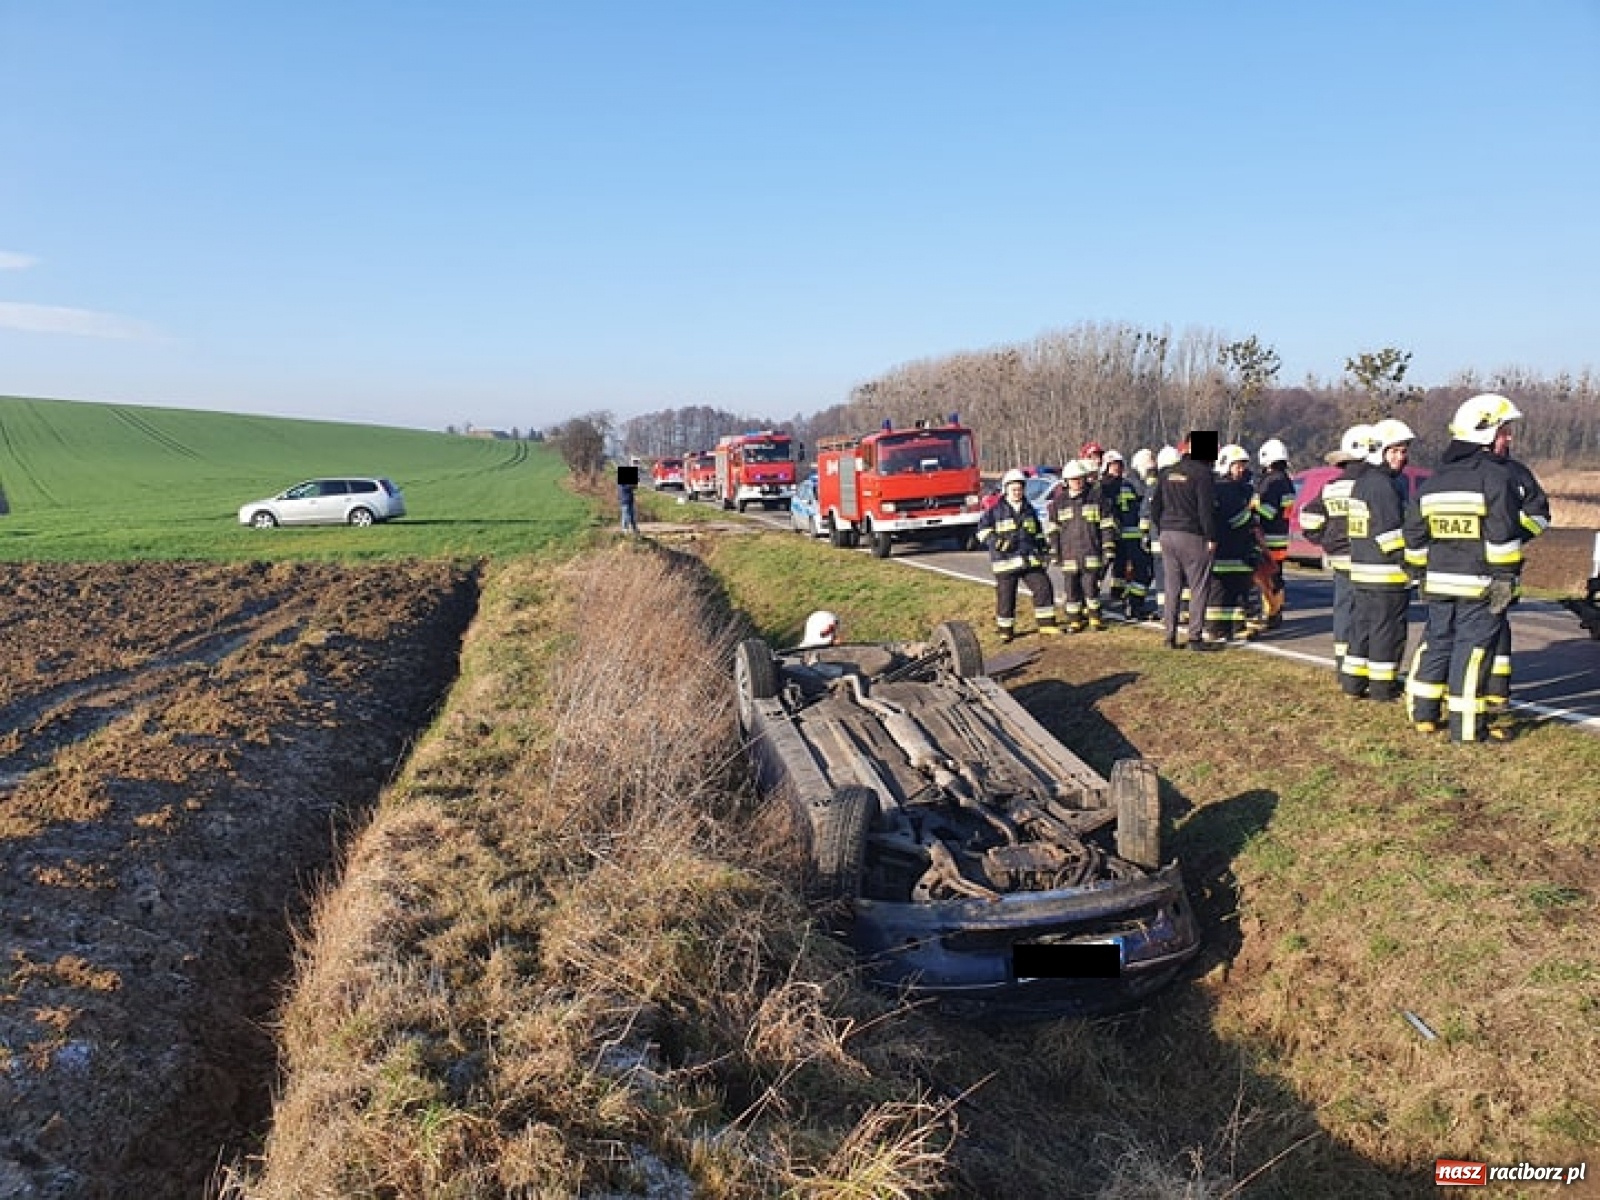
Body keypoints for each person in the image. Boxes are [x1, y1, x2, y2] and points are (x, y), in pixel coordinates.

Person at [1404, 394, 1529, 744]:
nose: (1509, 438)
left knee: (1438, 643)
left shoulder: (1435, 481)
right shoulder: (1495, 478)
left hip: (1439, 582)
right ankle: (1468, 730)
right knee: (1472, 653)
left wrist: (1420, 573)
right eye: (1504, 431)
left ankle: (1424, 714)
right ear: (1485, 433)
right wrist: (1505, 579)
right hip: (1479, 583)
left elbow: (1413, 535)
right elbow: (1502, 537)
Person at [1483, 417, 1550, 724]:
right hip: (1464, 567)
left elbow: (1539, 515)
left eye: (1509, 434)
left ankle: (1497, 692)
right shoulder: (1463, 472)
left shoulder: (1517, 473)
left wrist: (1512, 534)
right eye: (1503, 434)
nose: (1509, 439)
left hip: (1501, 568)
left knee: (1497, 626)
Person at [1343, 419, 1416, 701]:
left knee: (1362, 629)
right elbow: (1390, 534)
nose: (1401, 457)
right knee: (1387, 631)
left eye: (1404, 451)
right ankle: (1382, 688)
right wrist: (1412, 566)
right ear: (1379, 451)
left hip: (1362, 570)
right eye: (1394, 451)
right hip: (1386, 573)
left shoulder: (1363, 482)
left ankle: (1353, 683)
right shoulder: (1383, 485)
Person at [1298, 424, 1377, 670]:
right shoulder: (1376, 485)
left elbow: (1308, 519)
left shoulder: (1331, 487)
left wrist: (1326, 540)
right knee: (1370, 612)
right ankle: (1363, 660)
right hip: (1369, 558)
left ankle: (1343, 660)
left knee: (1344, 607)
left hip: (1340, 557)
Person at [1149, 434, 1219, 650]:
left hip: (1168, 534)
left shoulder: (1167, 472)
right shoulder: (1203, 474)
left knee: (1172, 586)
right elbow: (1205, 510)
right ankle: (1194, 637)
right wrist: (1211, 537)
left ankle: (1169, 636)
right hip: (1192, 535)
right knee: (1199, 586)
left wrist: (1162, 528)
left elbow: (1155, 507)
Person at [975, 468, 1060, 642]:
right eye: (1013, 489)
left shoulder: (1029, 510)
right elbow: (982, 532)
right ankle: (1005, 631)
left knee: (1043, 587)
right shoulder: (995, 511)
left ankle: (1046, 625)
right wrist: (999, 543)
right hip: (1005, 562)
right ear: (1006, 489)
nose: (1017, 492)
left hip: (1029, 560)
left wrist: (1044, 551)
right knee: (1006, 597)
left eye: (1020, 489)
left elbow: (1037, 533)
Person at [1048, 460, 1116, 631]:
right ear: (1066, 481)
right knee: (1071, 589)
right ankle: (1074, 620)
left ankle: (1095, 618)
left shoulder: (1097, 499)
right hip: (1069, 554)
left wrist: (1108, 547)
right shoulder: (1059, 503)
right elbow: (1053, 530)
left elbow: (1107, 525)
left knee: (1091, 587)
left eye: (1080, 478)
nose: (1077, 482)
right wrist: (1054, 551)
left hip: (1091, 551)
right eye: (1073, 479)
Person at [1204, 444, 1259, 643]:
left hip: (1240, 549)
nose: (1241, 469)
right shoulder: (1223, 488)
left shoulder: (1241, 488)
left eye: (1243, 465)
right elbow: (1232, 520)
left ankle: (1236, 627)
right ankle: (1215, 629)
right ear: (1226, 465)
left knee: (1239, 591)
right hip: (1225, 548)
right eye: (1237, 465)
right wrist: (1251, 514)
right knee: (1219, 592)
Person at [1252, 438, 1295, 630]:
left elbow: (1269, 512)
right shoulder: (1287, 481)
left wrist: (1253, 505)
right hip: (1281, 536)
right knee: (1276, 575)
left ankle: (1271, 612)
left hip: (1267, 537)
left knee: (1266, 577)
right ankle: (1276, 612)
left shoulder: (1272, 482)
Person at [617, 466, 640, 535]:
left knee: (632, 515)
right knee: (625, 514)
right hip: (624, 500)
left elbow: (634, 487)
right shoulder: (622, 483)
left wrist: (636, 483)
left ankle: (634, 528)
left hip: (630, 499)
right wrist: (633, 485)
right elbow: (627, 488)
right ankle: (625, 529)